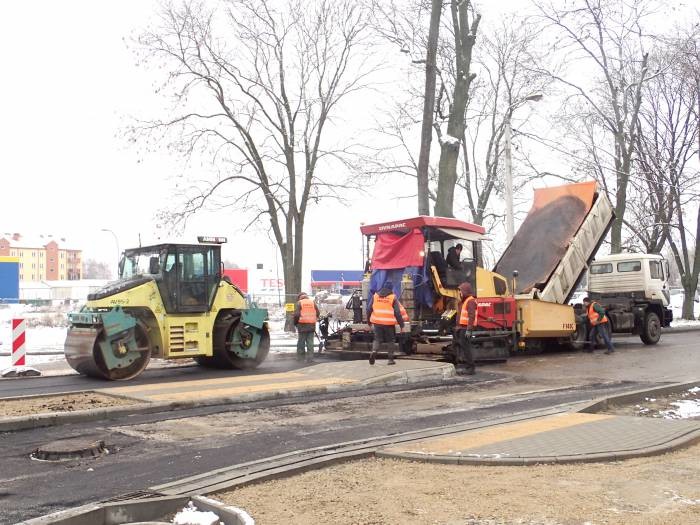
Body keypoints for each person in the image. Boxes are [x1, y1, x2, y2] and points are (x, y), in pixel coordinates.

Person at [367, 281, 405, 365]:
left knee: (377, 339)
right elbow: (397, 313)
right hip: (389, 324)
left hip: (377, 322)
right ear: (391, 288)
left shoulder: (375, 296)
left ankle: (374, 351)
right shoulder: (393, 297)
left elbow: (369, 309)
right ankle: (390, 360)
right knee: (391, 340)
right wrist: (402, 325)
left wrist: (368, 321)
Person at [454, 281, 477, 375]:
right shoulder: (465, 301)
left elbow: (471, 316)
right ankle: (468, 366)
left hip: (466, 328)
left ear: (465, 291)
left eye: (461, 291)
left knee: (466, 347)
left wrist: (469, 329)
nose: (460, 293)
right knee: (463, 346)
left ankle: (470, 367)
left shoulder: (470, 301)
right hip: (462, 328)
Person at [294, 292, 320, 363]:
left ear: (299, 297)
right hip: (311, 325)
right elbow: (317, 313)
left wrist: (295, 323)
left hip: (302, 325)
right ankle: (310, 358)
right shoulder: (312, 302)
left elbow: (296, 315)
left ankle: (300, 358)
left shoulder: (299, 303)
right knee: (310, 342)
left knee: (301, 342)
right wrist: (313, 319)